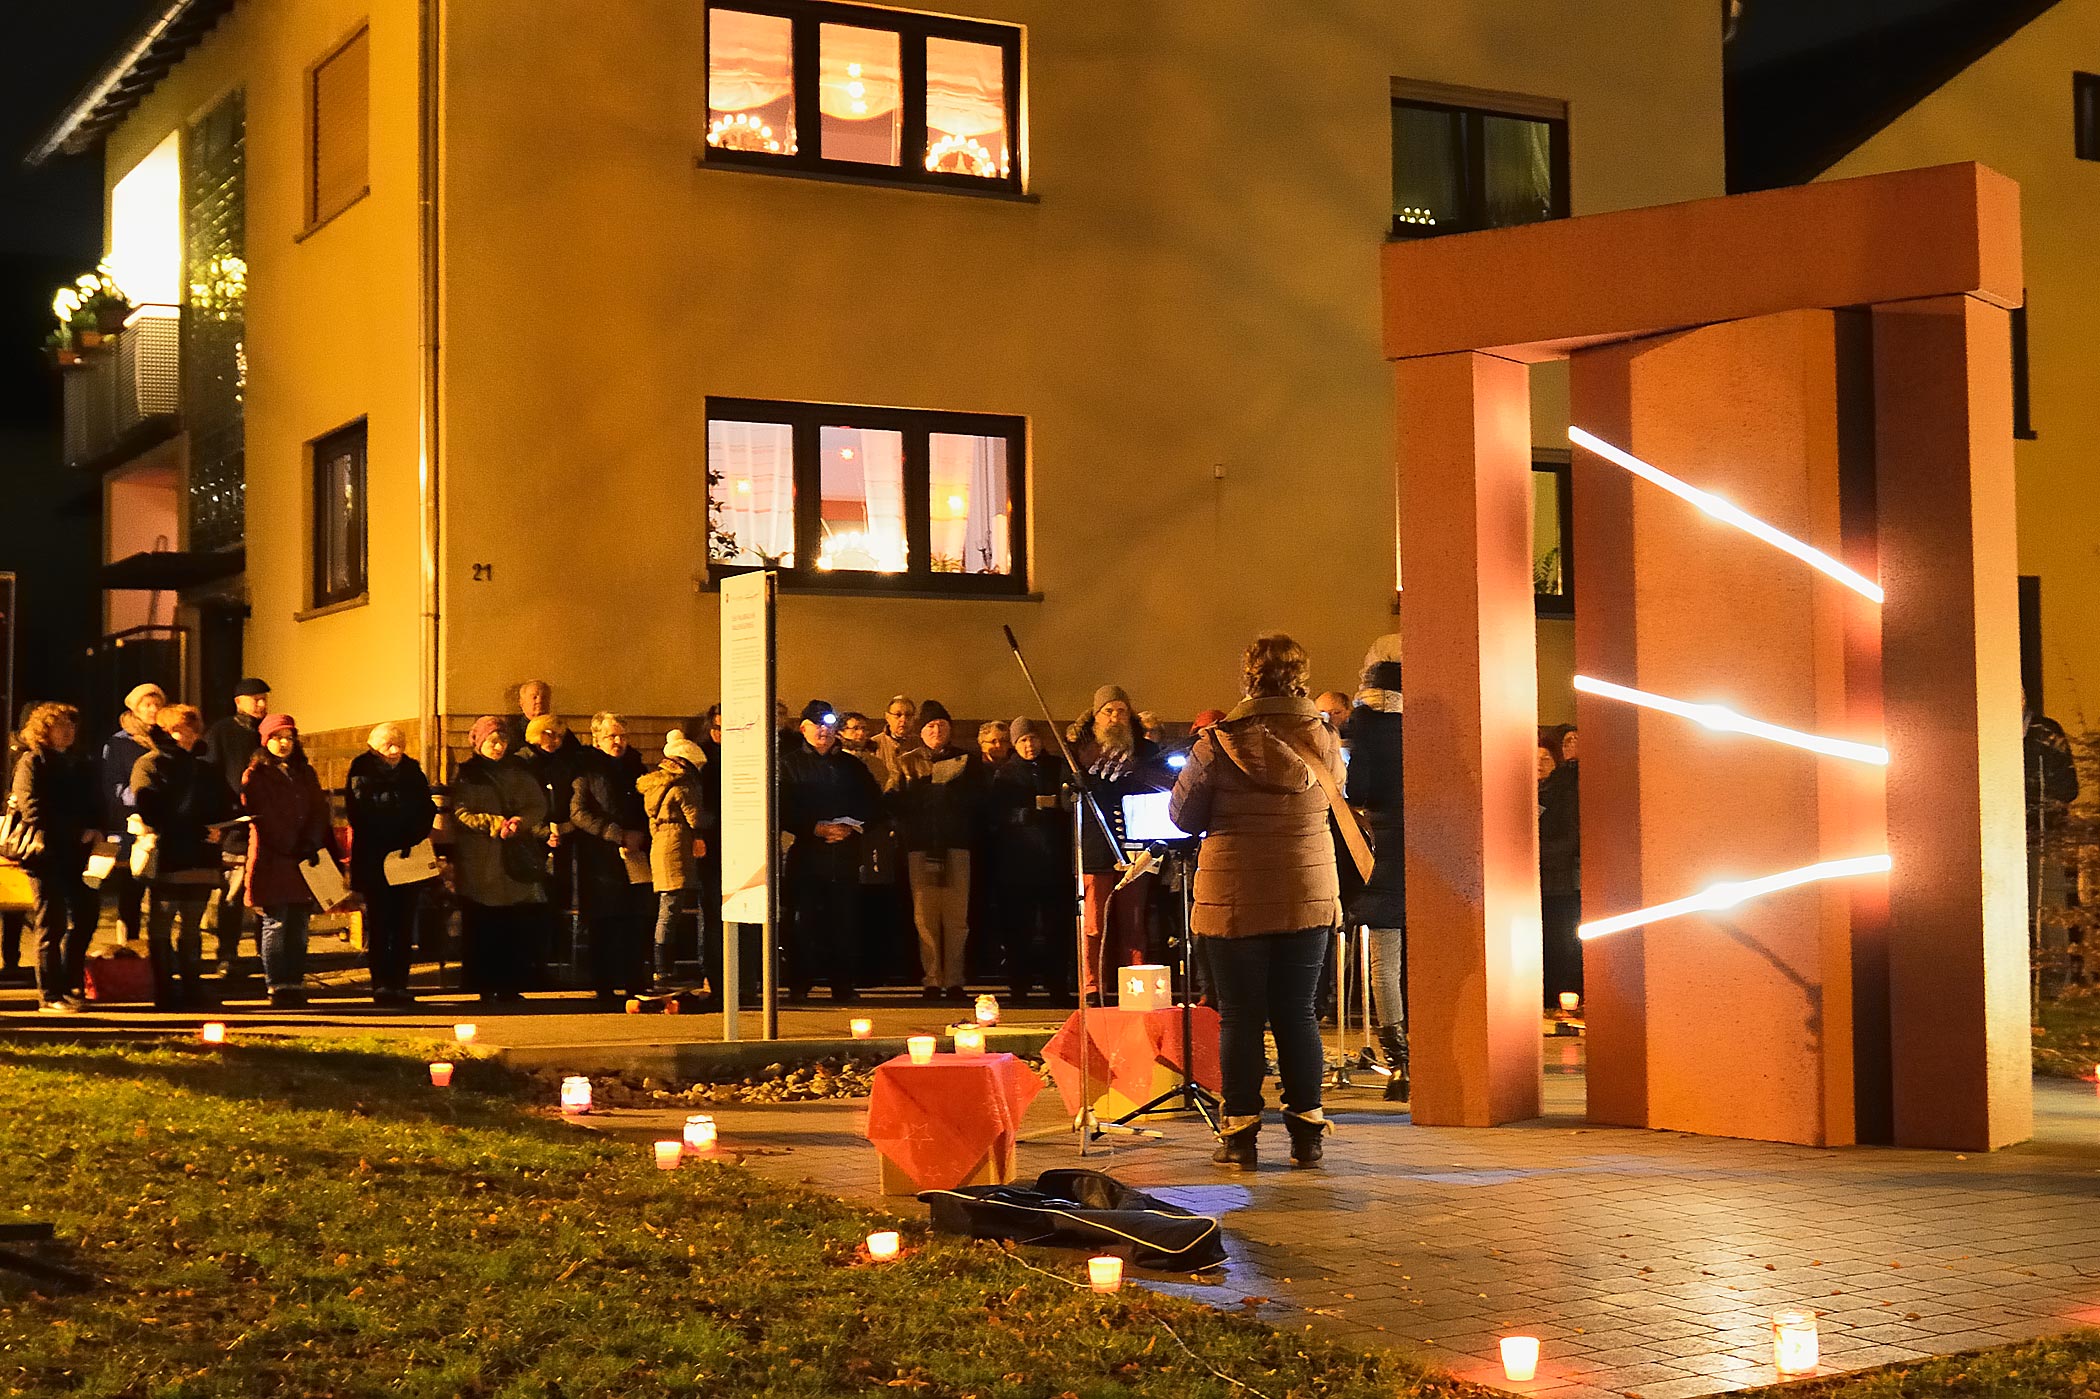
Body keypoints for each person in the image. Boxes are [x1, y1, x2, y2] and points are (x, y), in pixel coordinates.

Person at [1169, 633, 1341, 1171]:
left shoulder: (1216, 743)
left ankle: (1240, 1137)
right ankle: (1306, 1135)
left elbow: (1183, 817)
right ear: (1300, 677)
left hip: (1233, 897)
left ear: (1248, 677)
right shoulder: (1327, 741)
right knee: (1298, 1013)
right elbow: (1336, 797)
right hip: (1306, 892)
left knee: (1239, 1016)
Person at [130, 704, 234, 1009]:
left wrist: (221, 829)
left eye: (190, 728)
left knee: (192, 923)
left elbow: (224, 803)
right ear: (163, 731)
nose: (185, 735)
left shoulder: (206, 766)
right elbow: (149, 809)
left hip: (201, 856)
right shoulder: (150, 764)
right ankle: (164, 990)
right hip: (169, 854)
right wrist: (196, 829)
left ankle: (192, 987)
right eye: (177, 729)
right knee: (161, 922)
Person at [1067, 684, 1161, 1000]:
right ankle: (1093, 986)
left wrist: (1137, 770)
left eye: (1121, 710)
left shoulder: (1145, 752)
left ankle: (1135, 987)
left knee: (1134, 925)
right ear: (1096, 717)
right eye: (1108, 711)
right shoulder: (1078, 754)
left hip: (1136, 847)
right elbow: (1068, 799)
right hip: (1095, 846)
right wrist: (1082, 778)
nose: (1115, 717)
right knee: (1094, 925)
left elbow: (1161, 788)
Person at [450, 715, 553, 1003]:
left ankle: (510, 983)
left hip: (512, 863)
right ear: (479, 743)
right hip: (481, 861)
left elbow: (537, 805)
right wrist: (495, 824)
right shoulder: (469, 775)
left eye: (502, 741)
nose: (498, 747)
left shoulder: (519, 772)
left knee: (512, 924)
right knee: (483, 923)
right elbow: (461, 812)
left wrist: (521, 821)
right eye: (492, 741)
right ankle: (481, 983)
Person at [782, 702, 881, 1002]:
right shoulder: (788, 765)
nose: (824, 730)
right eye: (817, 724)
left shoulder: (853, 767)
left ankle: (843, 984)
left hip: (845, 855)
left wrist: (854, 828)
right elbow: (781, 808)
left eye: (829, 725)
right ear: (803, 729)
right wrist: (813, 828)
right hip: (807, 855)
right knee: (804, 922)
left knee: (844, 921)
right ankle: (800, 985)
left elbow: (875, 803)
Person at [889, 699, 985, 1001]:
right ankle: (931, 978)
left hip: (957, 846)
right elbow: (894, 802)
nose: (936, 730)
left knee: (956, 918)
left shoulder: (968, 761)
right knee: (926, 917)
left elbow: (978, 802)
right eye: (930, 725)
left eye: (942, 725)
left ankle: (955, 978)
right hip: (921, 847)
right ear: (921, 731)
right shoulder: (908, 762)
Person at [9, 702, 101, 1012]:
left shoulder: (81, 762)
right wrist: (75, 830)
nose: (68, 730)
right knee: (52, 923)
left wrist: (97, 828)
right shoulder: (32, 761)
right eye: (61, 725)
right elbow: (32, 807)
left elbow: (96, 801)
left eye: (71, 725)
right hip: (45, 854)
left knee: (87, 916)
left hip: (80, 855)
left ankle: (71, 980)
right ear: (44, 730)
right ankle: (49, 993)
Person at [1346, 638, 1408, 1100]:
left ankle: (1399, 1062)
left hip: (1381, 842)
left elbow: (1358, 788)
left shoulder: (1361, 724)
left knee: (1384, 960)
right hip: (1428, 840)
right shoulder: (1425, 720)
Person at [242, 714, 337, 1008]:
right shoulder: (256, 774)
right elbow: (263, 816)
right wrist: (291, 844)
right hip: (275, 857)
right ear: (265, 740)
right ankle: (278, 984)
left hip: (304, 858)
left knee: (299, 923)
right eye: (277, 737)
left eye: (288, 737)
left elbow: (319, 809)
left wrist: (312, 840)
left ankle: (295, 981)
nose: (283, 743)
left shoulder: (304, 772)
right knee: (277, 921)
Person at [345, 722, 437, 1006]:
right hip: (375, 858)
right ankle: (381, 984)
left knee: (404, 922)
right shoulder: (361, 770)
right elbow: (361, 812)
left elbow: (427, 807)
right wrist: (394, 834)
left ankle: (400, 983)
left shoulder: (412, 770)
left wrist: (413, 834)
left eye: (400, 743)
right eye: (389, 745)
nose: (396, 750)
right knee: (380, 922)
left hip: (408, 858)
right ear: (374, 747)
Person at [570, 712, 653, 1003]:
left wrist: (642, 834)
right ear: (597, 739)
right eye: (611, 736)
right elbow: (578, 813)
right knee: (604, 922)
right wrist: (615, 833)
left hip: (636, 855)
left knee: (635, 919)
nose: (618, 741)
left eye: (622, 736)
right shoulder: (587, 770)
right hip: (601, 859)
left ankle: (634, 980)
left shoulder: (637, 767)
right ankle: (603, 984)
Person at [990, 716, 1072, 1004]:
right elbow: (996, 814)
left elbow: (1071, 803)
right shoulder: (1006, 774)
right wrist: (1026, 814)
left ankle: (1058, 986)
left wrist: (1058, 806)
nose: (1029, 744)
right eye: (1023, 740)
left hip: (1054, 860)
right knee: (1018, 928)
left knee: (1057, 927)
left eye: (1033, 738)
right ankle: (1019, 986)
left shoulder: (1058, 766)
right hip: (1019, 862)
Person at [200, 678, 267, 973]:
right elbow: (211, 773)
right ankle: (227, 952)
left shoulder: (270, 732)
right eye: (255, 699)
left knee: (268, 892)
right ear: (238, 702)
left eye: (264, 698)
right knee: (233, 894)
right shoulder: (222, 731)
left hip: (268, 826)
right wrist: (222, 813)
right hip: (235, 826)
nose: (261, 704)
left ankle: (267, 953)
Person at [639, 730, 713, 995]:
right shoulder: (684, 786)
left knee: (666, 907)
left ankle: (661, 966)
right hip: (677, 847)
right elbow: (696, 819)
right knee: (670, 909)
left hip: (660, 845)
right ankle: (664, 968)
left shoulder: (655, 784)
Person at [101, 682, 165, 945]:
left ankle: (158, 950)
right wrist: (140, 798)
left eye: (157, 704)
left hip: (163, 822)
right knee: (132, 889)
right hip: (132, 824)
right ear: (135, 709)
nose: (152, 710)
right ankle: (128, 946)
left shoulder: (166, 736)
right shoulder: (119, 742)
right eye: (146, 705)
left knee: (162, 891)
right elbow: (112, 784)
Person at [520, 713, 586, 969]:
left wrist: (565, 827)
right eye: (548, 734)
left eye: (558, 735)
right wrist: (543, 831)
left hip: (562, 837)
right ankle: (533, 961)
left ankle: (553, 958)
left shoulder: (564, 762)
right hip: (532, 840)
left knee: (557, 899)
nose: (553, 740)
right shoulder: (524, 763)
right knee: (534, 901)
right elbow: (522, 803)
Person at [1538, 724, 1581, 1009]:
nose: (1539, 764)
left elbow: (1571, 834)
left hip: (1562, 878)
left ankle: (1562, 998)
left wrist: (1539, 853)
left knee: (1562, 940)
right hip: (1540, 879)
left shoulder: (1565, 789)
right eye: (1535, 759)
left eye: (1545, 759)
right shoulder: (1535, 791)